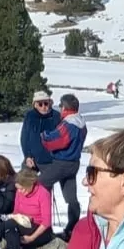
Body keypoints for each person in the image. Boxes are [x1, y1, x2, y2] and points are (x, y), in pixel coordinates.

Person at [0, 166, 55, 249]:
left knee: (9, 223)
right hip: (24, 224)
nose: (20, 191)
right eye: (18, 188)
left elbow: (46, 222)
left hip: (40, 230)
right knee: (5, 224)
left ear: (30, 184)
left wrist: (31, 238)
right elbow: (16, 212)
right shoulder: (19, 192)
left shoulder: (43, 194)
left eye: (22, 188)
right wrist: (19, 217)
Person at [37, 94, 86, 237]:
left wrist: (44, 135)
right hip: (74, 162)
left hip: (62, 162)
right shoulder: (81, 122)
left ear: (65, 107)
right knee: (71, 197)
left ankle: (42, 224)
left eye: (61, 105)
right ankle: (71, 228)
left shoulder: (69, 124)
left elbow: (57, 140)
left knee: (40, 184)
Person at [19, 90, 60, 173]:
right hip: (32, 159)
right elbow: (25, 138)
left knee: (47, 181)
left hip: (50, 160)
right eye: (40, 104)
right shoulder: (30, 116)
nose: (43, 107)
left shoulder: (56, 116)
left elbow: (60, 138)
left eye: (46, 103)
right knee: (23, 178)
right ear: (35, 105)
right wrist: (27, 156)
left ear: (50, 103)